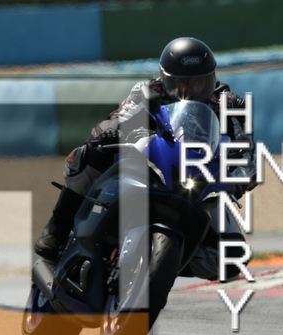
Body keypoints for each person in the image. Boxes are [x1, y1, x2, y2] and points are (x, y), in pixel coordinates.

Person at [35, 37, 257, 281]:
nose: (190, 90)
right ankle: (57, 228)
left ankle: (163, 262)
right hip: (150, 166)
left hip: (199, 182)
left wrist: (239, 178)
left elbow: (247, 154)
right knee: (88, 153)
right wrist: (110, 130)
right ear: (165, 78)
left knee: (231, 259)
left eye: (198, 82)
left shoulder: (231, 105)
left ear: (211, 78)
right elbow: (121, 116)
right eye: (181, 82)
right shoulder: (148, 91)